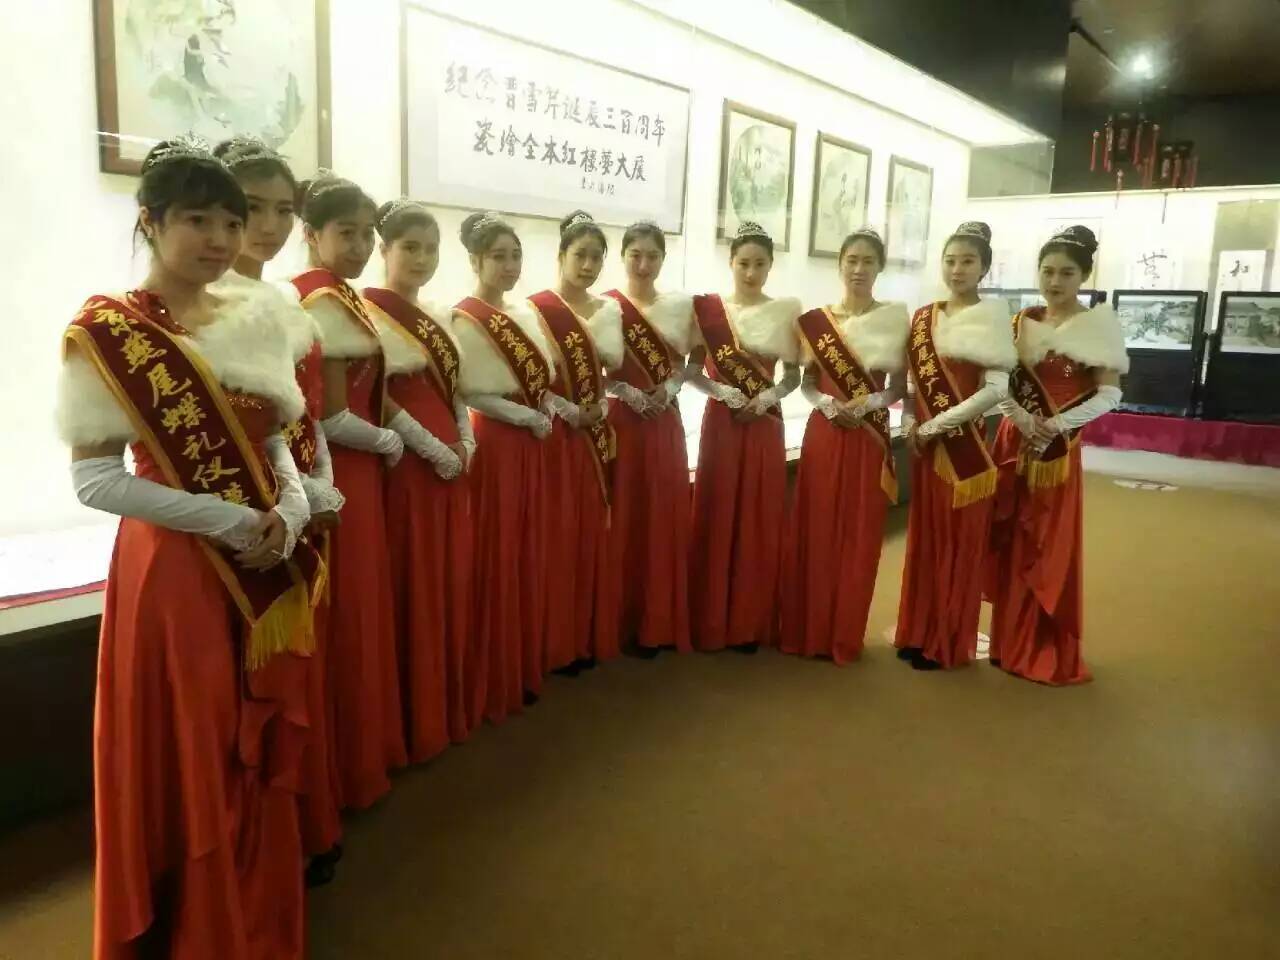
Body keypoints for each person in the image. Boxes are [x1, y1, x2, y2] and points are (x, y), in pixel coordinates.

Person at [56, 138, 320, 958]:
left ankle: (252, 908)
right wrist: (227, 520)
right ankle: (196, 927)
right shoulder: (110, 331)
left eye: (230, 223)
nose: (219, 238)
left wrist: (295, 506)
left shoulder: (252, 316)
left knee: (247, 735)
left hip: (262, 548)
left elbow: (277, 437)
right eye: (197, 220)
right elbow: (95, 481)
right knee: (195, 741)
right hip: (174, 572)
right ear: (151, 221)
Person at [212, 136, 346, 884]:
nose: (265, 227)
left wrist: (316, 484)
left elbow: (306, 412)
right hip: (231, 521)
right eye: (248, 208)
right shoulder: (187, 306)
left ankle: (301, 823)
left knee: (298, 668)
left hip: (295, 505)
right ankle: (248, 859)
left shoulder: (290, 302)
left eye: (281, 210)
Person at [291, 173, 407, 808]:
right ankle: (349, 763)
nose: (361, 246)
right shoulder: (321, 300)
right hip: (343, 470)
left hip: (350, 467)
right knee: (352, 612)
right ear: (312, 234)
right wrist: (390, 441)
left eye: (367, 234)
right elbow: (332, 416)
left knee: (360, 608)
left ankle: (359, 754)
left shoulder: (340, 294)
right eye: (347, 233)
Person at [988, 226, 1127, 684]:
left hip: (1055, 449)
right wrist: (1019, 417)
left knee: (1046, 544)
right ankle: (1008, 642)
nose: (1055, 281)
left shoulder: (1098, 326)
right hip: (1014, 441)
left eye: (1067, 273)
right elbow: (999, 382)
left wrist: (1056, 425)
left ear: (1084, 276)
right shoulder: (1021, 321)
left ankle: (1042, 648)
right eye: (1047, 271)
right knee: (1011, 538)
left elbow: (1110, 394)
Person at [363, 199, 475, 756]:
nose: (422, 259)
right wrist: (430, 448)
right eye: (410, 247)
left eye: (431, 249)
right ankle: (414, 715)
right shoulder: (365, 312)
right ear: (384, 249)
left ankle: (445, 704)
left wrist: (466, 437)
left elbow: (454, 390)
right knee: (416, 580)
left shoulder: (437, 315)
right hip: (409, 461)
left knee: (448, 578)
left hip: (453, 458)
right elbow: (371, 397)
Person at [782, 228, 908, 663]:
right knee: (816, 528)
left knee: (858, 533)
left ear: (880, 267)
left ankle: (843, 633)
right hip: (826, 432)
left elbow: (897, 388)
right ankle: (809, 629)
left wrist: (869, 402)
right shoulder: (817, 323)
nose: (858, 269)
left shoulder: (893, 320)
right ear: (839, 265)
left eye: (868, 261)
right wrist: (827, 404)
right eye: (851, 260)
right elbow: (808, 383)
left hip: (867, 435)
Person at [894, 221, 1016, 671]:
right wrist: (910, 420)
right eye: (950, 261)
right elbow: (912, 382)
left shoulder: (993, 317)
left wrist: (936, 425)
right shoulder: (924, 316)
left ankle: (943, 641)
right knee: (926, 540)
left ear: (984, 268)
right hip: (926, 447)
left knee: (957, 543)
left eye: (968, 261)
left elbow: (996, 389)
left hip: (964, 450)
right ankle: (917, 631)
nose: (957, 269)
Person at [452, 212, 557, 724]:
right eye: (498, 257)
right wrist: (524, 416)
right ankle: (495, 671)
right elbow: (469, 392)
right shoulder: (463, 318)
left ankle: (523, 664)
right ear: (475, 261)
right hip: (498, 441)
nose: (510, 266)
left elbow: (542, 382)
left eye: (515, 256)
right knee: (500, 550)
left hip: (532, 441)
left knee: (528, 547)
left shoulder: (524, 314)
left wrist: (545, 411)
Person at [687, 221, 802, 652]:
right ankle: (711, 616)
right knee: (718, 510)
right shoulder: (710, 312)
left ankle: (748, 622)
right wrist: (723, 392)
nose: (751, 273)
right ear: (731, 263)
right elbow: (691, 371)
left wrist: (767, 396)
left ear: (770, 266)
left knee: (757, 515)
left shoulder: (784, 312)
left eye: (759, 264)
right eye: (743, 263)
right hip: (723, 422)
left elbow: (792, 377)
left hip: (764, 422)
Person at [529, 211, 624, 676]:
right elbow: (530, 385)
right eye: (580, 255)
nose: (587, 266)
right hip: (554, 438)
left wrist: (599, 408)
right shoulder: (534, 310)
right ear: (561, 255)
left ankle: (584, 636)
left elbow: (607, 379)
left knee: (590, 533)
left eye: (596, 258)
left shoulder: (608, 311)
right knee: (558, 537)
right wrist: (568, 411)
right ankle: (555, 641)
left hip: (593, 436)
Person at [602, 220, 695, 657]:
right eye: (635, 255)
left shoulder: (679, 308)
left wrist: (670, 388)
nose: (643, 265)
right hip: (622, 421)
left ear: (663, 258)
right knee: (625, 514)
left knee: (660, 516)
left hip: (662, 420)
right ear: (622, 257)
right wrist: (625, 391)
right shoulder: (605, 307)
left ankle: (656, 621)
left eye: (652, 256)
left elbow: (687, 364)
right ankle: (619, 619)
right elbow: (594, 373)